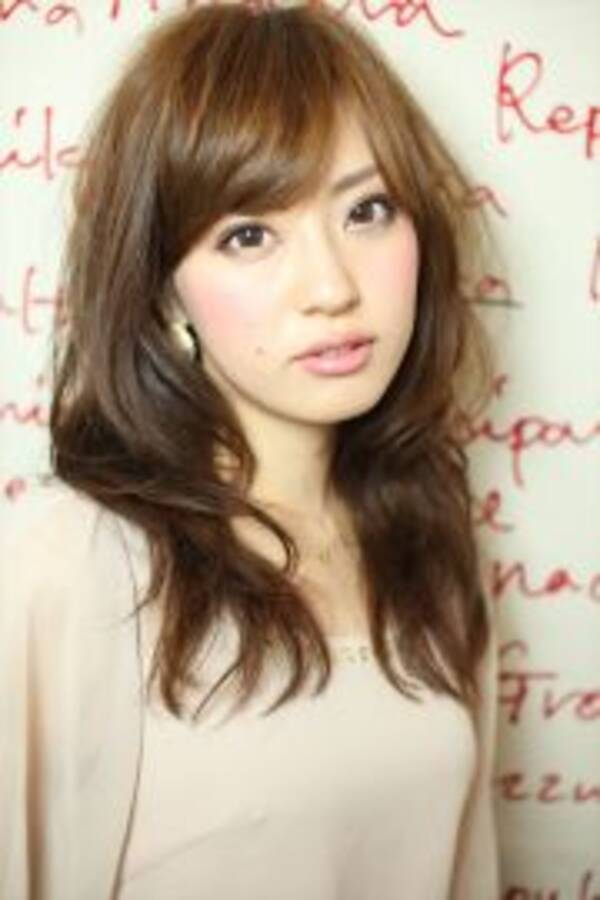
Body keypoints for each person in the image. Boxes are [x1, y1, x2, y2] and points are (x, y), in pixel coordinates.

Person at [0, 2, 499, 898]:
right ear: (165, 292)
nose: (332, 287)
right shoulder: (66, 567)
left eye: (368, 210)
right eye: (249, 235)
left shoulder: (430, 539)